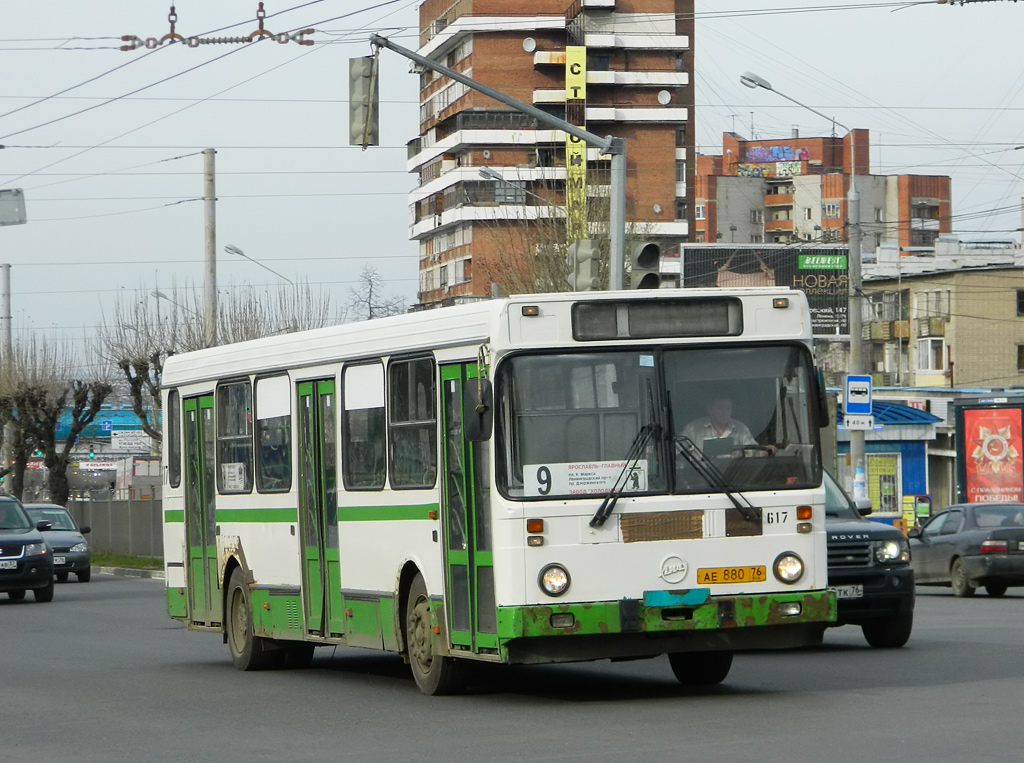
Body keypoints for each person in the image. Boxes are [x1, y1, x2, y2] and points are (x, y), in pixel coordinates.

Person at [680, 396, 760, 454]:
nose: (725, 412)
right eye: (721, 408)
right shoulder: (693, 430)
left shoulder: (741, 429)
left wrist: (767, 451)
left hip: (733, 475)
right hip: (700, 475)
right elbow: (676, 454)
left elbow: (754, 453)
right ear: (710, 410)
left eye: (728, 408)